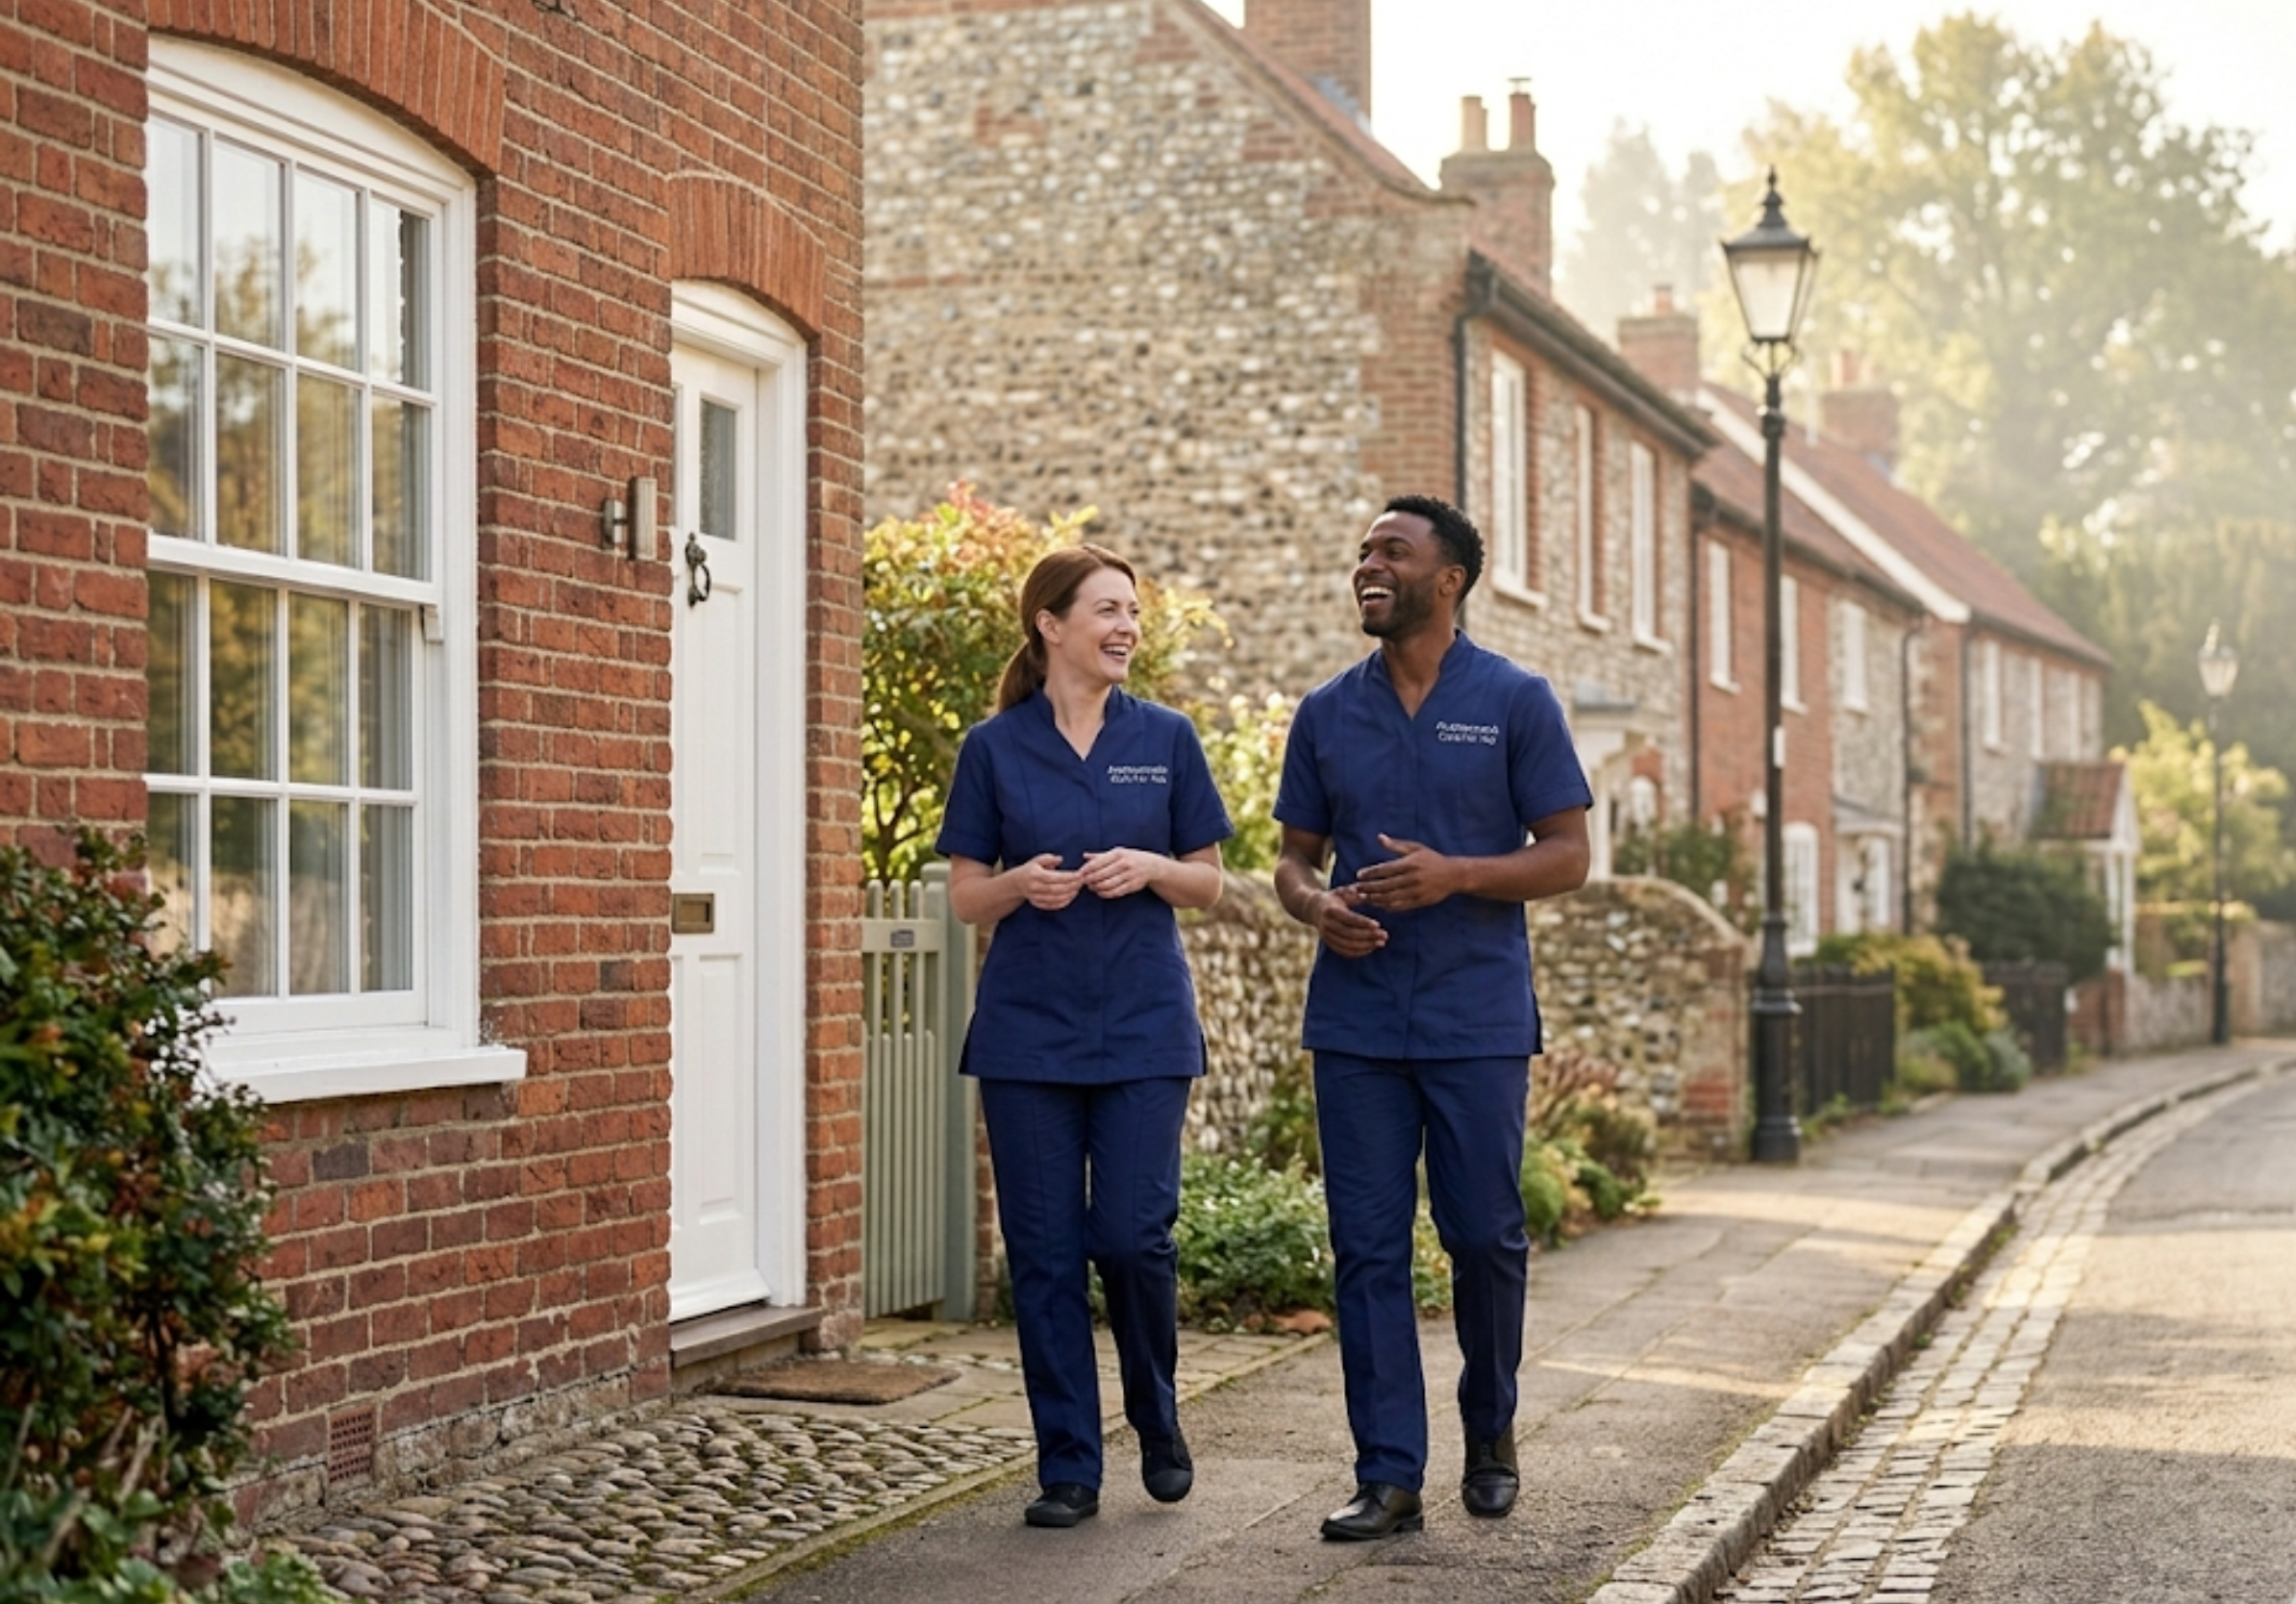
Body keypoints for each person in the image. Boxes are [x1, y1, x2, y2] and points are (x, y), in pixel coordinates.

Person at [1272, 494, 1592, 1541]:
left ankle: (1490, 1434)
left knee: (1485, 1237)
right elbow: (1290, 859)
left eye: (1391, 552)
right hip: (1357, 1024)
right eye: (1363, 550)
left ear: (1446, 578)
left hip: (1476, 1019)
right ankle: (1388, 1474)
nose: (1368, 565)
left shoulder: (1515, 699)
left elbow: (1569, 855)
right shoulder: (1326, 712)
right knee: (1365, 1249)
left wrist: (1459, 874)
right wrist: (1317, 905)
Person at [936, 543, 1233, 1530]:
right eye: (1107, 610)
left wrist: (1150, 863)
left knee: (1135, 1237)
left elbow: (1209, 880)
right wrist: (1022, 884)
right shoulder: (995, 748)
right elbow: (968, 896)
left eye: (1134, 614)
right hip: (1027, 1036)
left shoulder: (1169, 738)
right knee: (1046, 1253)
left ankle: (1156, 1415)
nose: (1126, 629)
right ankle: (1067, 1462)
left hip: (1146, 1026)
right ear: (1049, 624)